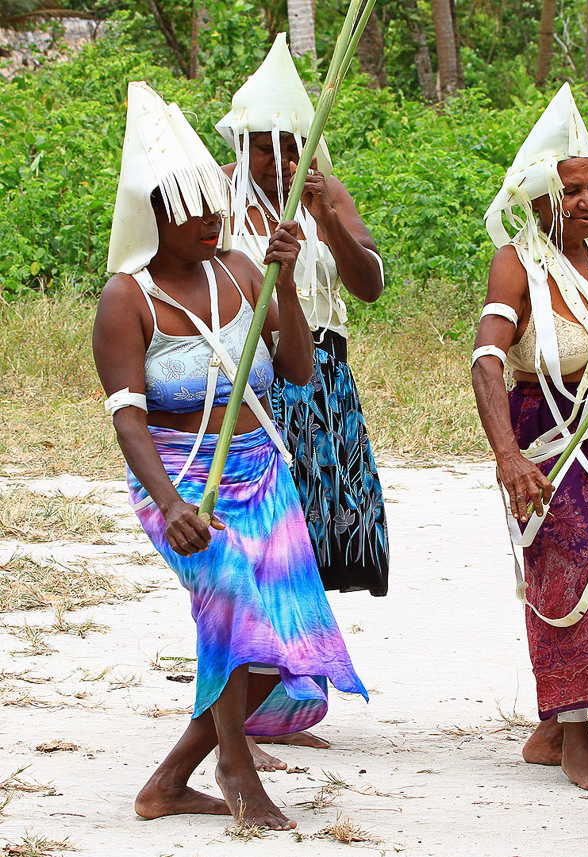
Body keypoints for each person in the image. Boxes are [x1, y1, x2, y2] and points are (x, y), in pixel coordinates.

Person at [93, 82, 366, 830]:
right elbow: (128, 423)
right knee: (235, 605)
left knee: (276, 629)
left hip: (261, 470)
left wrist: (284, 286)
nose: (212, 218)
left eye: (215, 203)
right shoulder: (127, 299)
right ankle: (237, 771)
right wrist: (172, 501)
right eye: (192, 208)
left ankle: (169, 781)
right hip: (179, 478)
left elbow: (300, 370)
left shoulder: (243, 270)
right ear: (153, 215)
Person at [471, 84, 588, 792]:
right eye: (569, 191)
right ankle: (576, 738)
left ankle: (553, 726)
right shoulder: (515, 262)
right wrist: (506, 454)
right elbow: (486, 359)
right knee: (567, 573)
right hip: (543, 446)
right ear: (537, 199)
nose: (585, 201)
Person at [216, 35, 389, 762]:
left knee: (311, 541)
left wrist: (327, 221)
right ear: (241, 142)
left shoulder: (325, 189)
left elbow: (370, 282)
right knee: (256, 549)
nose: (279, 162)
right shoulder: (216, 194)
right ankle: (243, 702)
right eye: (265, 147)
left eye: (291, 147)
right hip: (253, 387)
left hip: (320, 383)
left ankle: (269, 692)